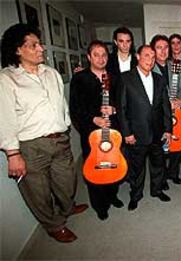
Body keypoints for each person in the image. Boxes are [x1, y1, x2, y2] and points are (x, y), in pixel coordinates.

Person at [0, 23, 87, 243]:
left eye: (40, 44)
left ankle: (67, 207)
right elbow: (5, 118)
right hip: (31, 146)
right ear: (18, 50)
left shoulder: (52, 73)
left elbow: (62, 104)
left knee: (67, 181)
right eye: (34, 45)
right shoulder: (7, 78)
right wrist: (13, 154)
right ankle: (53, 225)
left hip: (60, 140)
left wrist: (66, 127)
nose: (41, 49)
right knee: (37, 192)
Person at [69, 40, 123, 221]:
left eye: (104, 55)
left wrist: (114, 110)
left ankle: (112, 195)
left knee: (114, 163)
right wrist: (94, 119)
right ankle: (100, 205)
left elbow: (123, 104)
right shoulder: (79, 78)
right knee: (94, 168)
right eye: (96, 55)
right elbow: (75, 109)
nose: (101, 59)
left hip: (113, 132)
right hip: (91, 133)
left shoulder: (114, 78)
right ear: (88, 57)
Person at [117, 44, 172, 211]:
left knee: (158, 164)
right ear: (138, 57)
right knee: (137, 167)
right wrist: (127, 133)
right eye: (147, 55)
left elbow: (165, 107)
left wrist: (168, 129)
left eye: (153, 57)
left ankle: (156, 190)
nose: (151, 60)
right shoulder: (126, 78)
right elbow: (122, 108)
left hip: (157, 132)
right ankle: (136, 195)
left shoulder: (160, 79)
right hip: (136, 134)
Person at [151, 34, 181, 185]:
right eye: (159, 47)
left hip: (175, 113)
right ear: (153, 50)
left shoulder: (175, 65)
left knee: (177, 143)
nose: (163, 51)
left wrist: (180, 100)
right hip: (158, 115)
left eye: (166, 47)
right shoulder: (149, 67)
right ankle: (161, 177)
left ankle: (174, 173)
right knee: (160, 148)